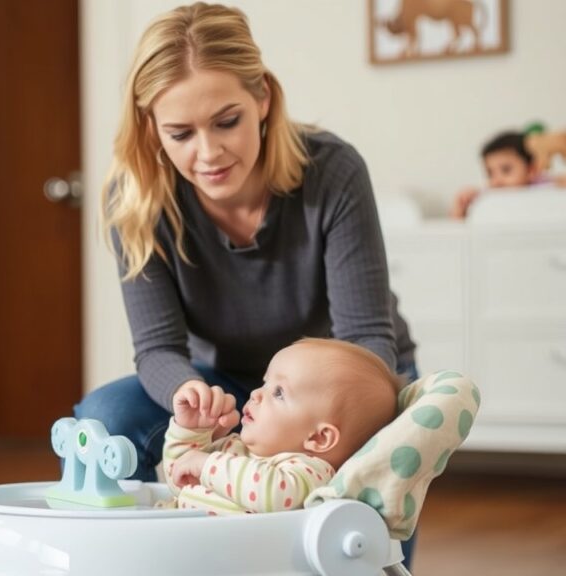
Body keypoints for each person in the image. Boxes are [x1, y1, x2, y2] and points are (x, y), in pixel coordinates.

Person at [72, 1, 419, 564]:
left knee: (368, 528)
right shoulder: (136, 201)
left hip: (344, 383)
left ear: (263, 98)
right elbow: (158, 349)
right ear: (150, 127)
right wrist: (192, 397)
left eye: (226, 121)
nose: (207, 154)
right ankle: (132, 561)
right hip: (226, 383)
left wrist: (309, 420)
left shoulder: (332, 172)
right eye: (180, 133)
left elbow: (364, 338)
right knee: (105, 421)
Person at [162, 338, 399, 514]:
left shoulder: (309, 472)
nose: (255, 394)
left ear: (318, 438)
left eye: (278, 392)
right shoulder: (233, 450)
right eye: (264, 383)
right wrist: (191, 431)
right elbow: (179, 479)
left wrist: (205, 464)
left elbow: (272, 492)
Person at [450, 129, 566, 219]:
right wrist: (463, 203)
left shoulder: (543, 187)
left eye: (506, 170)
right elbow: (459, 226)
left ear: (531, 170)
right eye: (490, 173)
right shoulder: (490, 196)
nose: (497, 180)